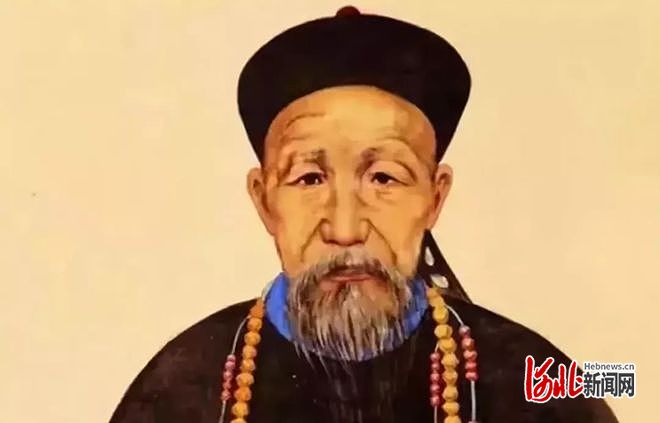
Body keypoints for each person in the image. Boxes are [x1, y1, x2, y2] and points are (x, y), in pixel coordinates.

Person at [110, 7, 618, 423]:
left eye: (384, 178)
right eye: (309, 179)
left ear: (435, 198)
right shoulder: (177, 387)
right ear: (264, 201)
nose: (346, 228)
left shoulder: (543, 379)